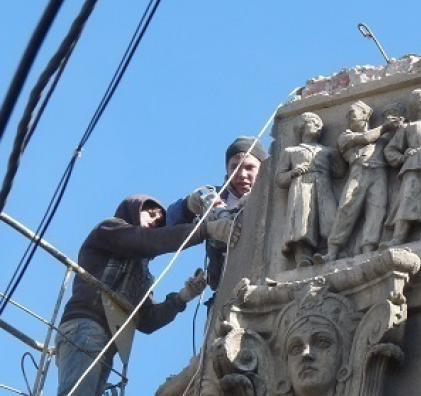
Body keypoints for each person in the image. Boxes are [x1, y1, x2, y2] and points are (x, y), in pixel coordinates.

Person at [4, 195, 230, 396]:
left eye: (158, 219)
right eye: (149, 214)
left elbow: (146, 320)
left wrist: (183, 296)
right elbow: (147, 241)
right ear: (132, 212)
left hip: (107, 339)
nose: (153, 220)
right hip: (86, 324)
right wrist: (202, 229)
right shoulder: (111, 230)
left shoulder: (141, 273)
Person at [169, 136, 267, 289]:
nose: (242, 174)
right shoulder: (214, 196)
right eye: (235, 167)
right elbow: (168, 222)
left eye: (249, 168)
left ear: (263, 169)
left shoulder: (272, 198)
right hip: (225, 288)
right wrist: (189, 205)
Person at [322, 101, 402, 261]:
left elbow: (395, 141)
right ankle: (333, 251)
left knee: (377, 209)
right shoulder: (345, 136)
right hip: (359, 172)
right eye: (348, 114)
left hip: (379, 173)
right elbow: (366, 138)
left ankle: (368, 247)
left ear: (366, 115)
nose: (349, 116)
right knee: (347, 207)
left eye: (353, 112)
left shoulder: (382, 136)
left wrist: (399, 125)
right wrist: (386, 126)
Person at [275, 112, 345, 267]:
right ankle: (303, 256)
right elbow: (279, 178)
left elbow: (339, 172)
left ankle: (327, 251)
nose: (318, 126)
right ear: (302, 126)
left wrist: (341, 152)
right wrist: (293, 172)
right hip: (301, 187)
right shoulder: (291, 152)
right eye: (313, 122)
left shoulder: (327, 151)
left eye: (319, 124)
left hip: (323, 184)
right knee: (303, 219)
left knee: (328, 216)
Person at [384, 89, 421, 245]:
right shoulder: (408, 127)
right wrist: (403, 157)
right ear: (415, 105)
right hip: (413, 166)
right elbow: (390, 149)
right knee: (407, 199)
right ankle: (399, 236)